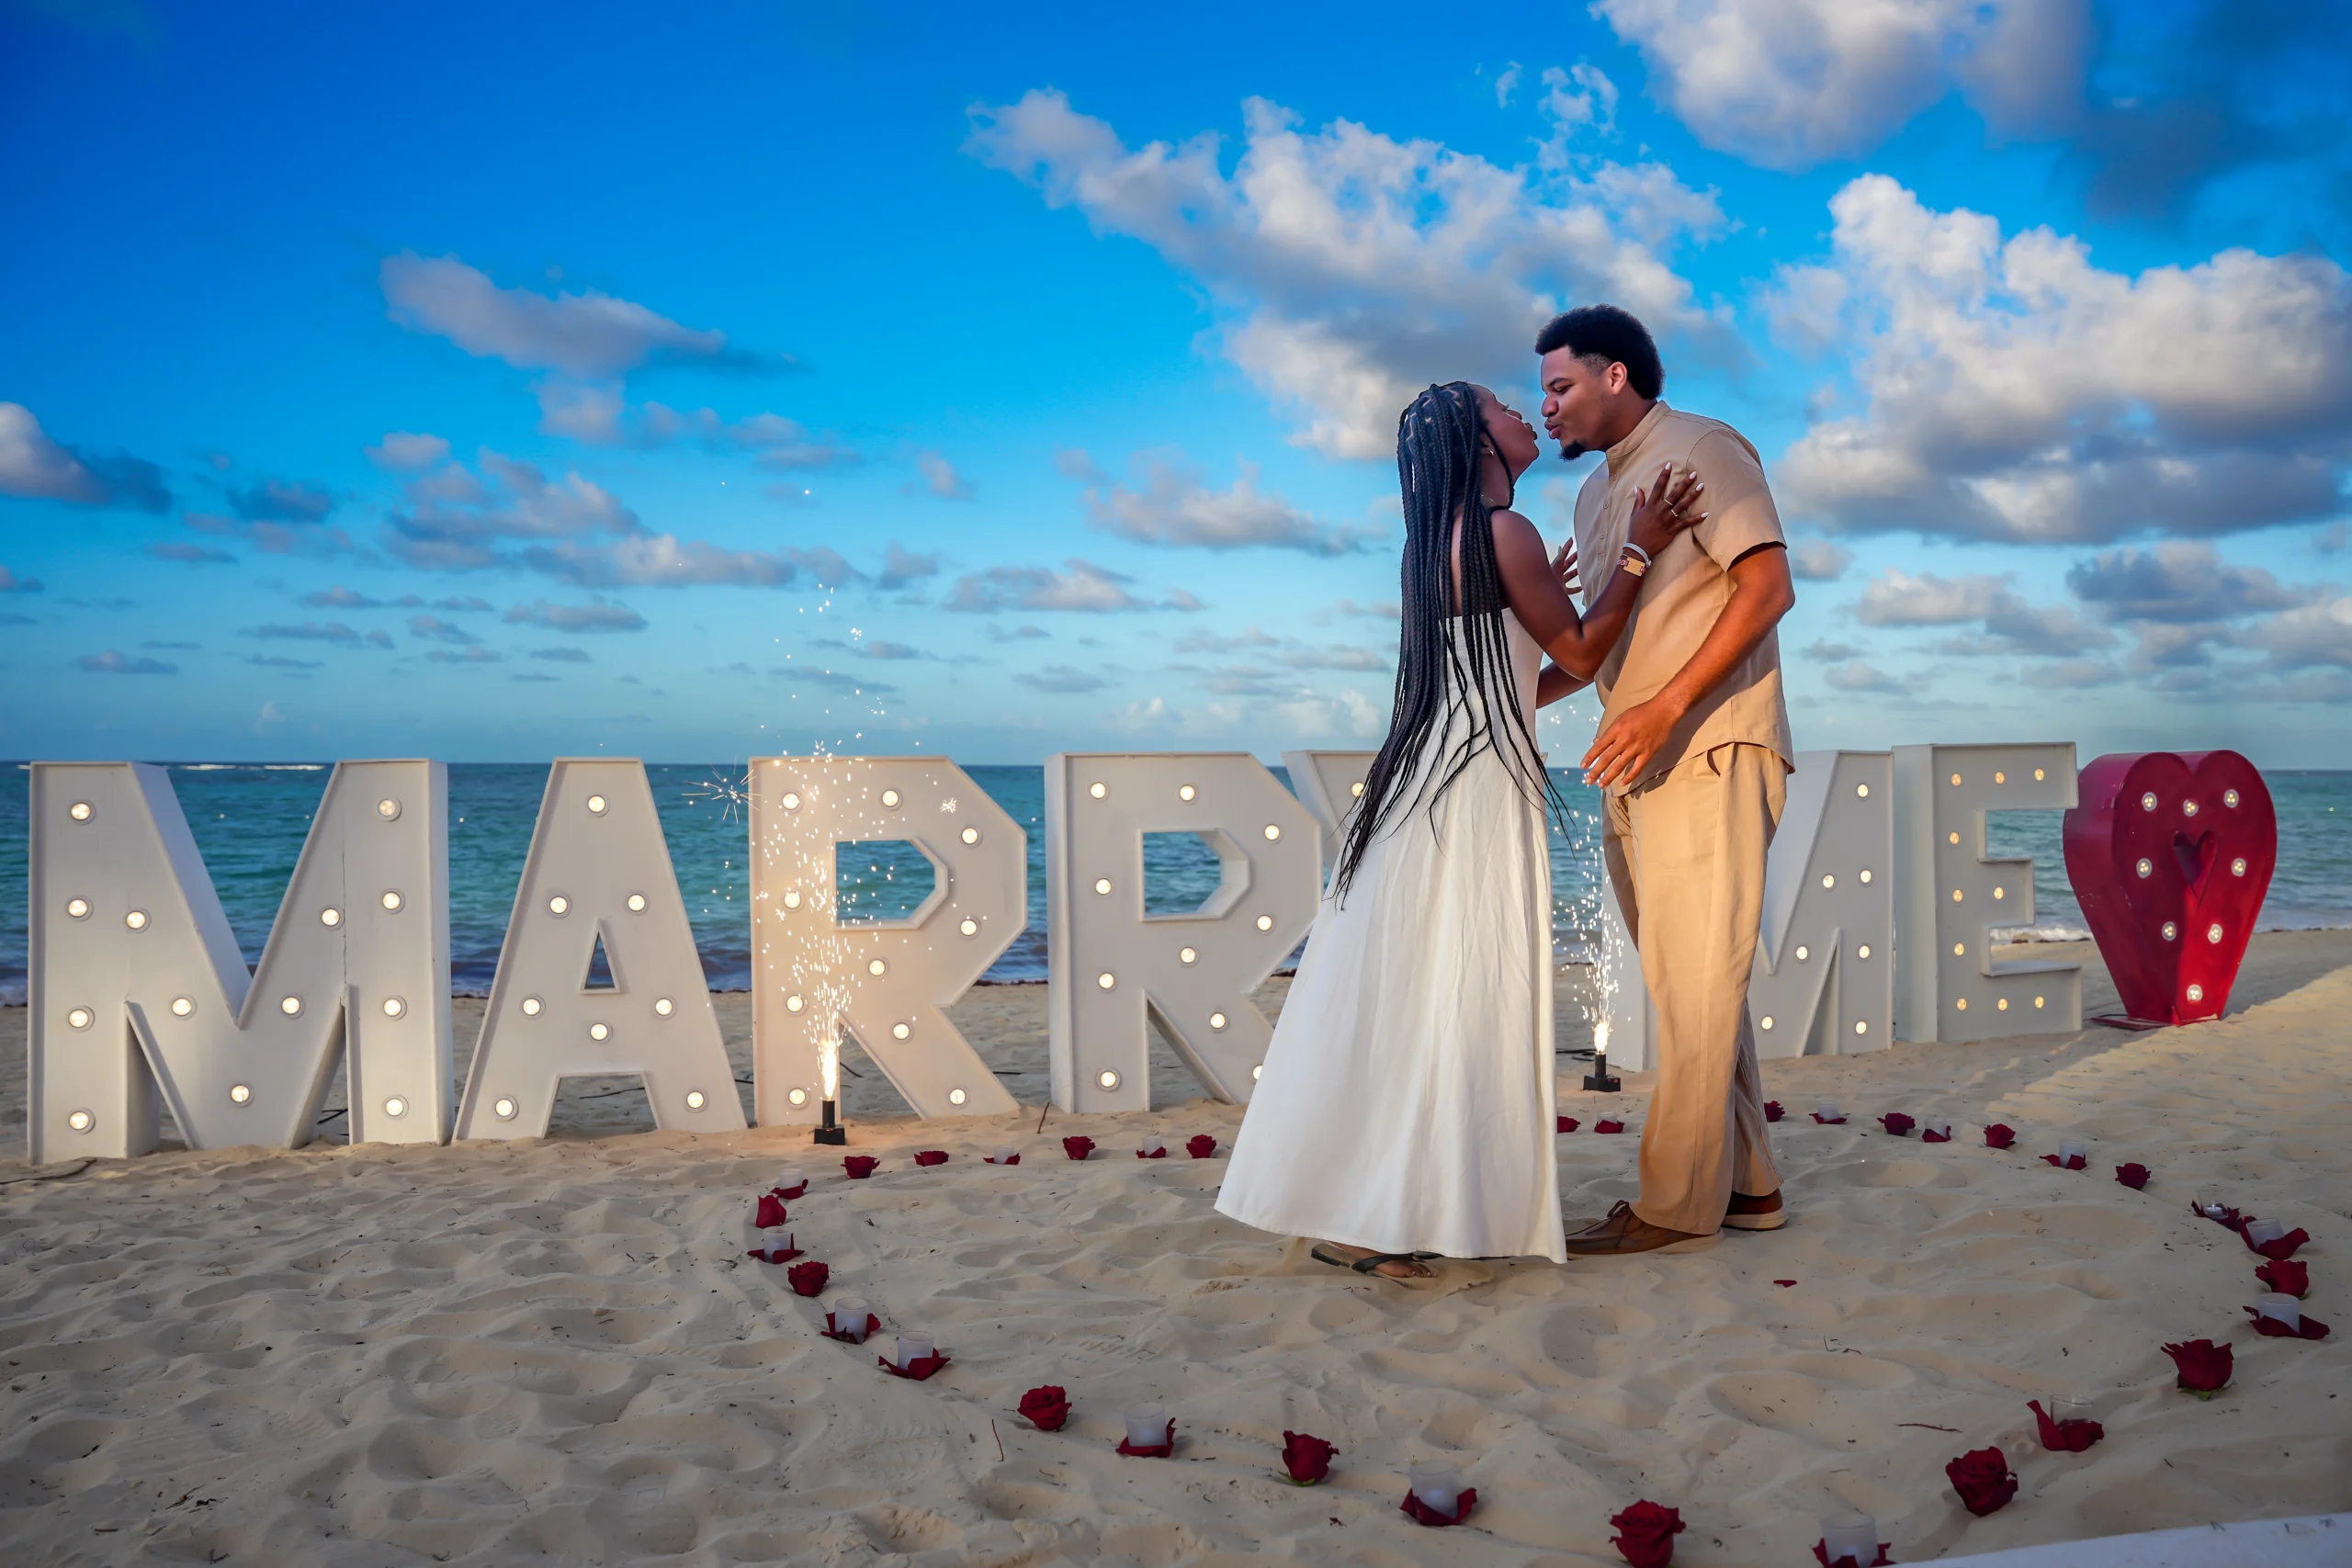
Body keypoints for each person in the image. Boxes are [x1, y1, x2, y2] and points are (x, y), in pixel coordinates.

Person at [1215, 379, 1702, 1279]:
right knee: (1460, 991)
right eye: (1503, 406)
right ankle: (1392, 1212)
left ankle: (1380, 1211)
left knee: (1422, 995)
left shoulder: (1436, 545)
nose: (1524, 414)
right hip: (1469, 791)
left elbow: (1521, 685)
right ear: (1479, 441)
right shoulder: (1500, 535)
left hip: (1430, 784)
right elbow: (1585, 657)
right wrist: (1637, 552)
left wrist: (1550, 613)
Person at [1536, 305, 1799, 1258]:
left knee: (1694, 987)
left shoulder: (1703, 446)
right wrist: (1488, 702)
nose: (1547, 405)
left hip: (1709, 745)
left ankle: (1674, 1209)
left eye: (1560, 385)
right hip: (1635, 760)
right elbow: (1598, 647)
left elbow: (1768, 589)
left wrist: (1666, 707)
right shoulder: (1590, 500)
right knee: (1691, 988)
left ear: (1616, 375)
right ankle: (1749, 1189)